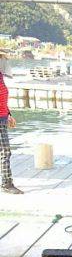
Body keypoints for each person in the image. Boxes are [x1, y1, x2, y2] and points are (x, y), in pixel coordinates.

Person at [0, 52, 23, 195]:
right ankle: (6, 183)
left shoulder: (0, 77)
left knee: (5, 151)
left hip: (3, 117)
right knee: (5, 151)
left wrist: (9, 115)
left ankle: (6, 183)